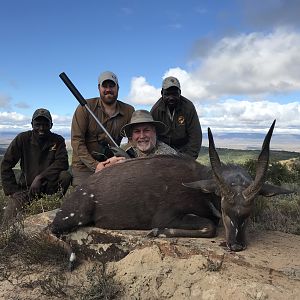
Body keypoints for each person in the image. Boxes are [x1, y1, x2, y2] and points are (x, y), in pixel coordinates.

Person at [1, 108, 72, 224]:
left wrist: (40, 177)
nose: (41, 128)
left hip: (49, 187)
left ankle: (52, 204)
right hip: (26, 189)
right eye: (38, 124)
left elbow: (62, 162)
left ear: (51, 125)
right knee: (8, 222)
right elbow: (6, 164)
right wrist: (12, 191)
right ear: (32, 124)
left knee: (65, 175)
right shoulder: (23, 138)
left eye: (45, 124)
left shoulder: (58, 140)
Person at [71, 71, 134, 186]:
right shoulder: (84, 108)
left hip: (112, 163)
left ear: (118, 88)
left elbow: (133, 139)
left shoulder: (129, 110)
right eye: (105, 86)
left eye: (112, 86)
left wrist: (121, 157)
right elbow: (77, 141)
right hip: (84, 166)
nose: (108, 89)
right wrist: (95, 166)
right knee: (84, 196)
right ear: (99, 88)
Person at [95, 110, 177, 172]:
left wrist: (128, 165)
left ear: (154, 132)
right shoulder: (127, 150)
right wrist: (105, 166)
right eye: (137, 131)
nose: (142, 136)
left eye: (146, 130)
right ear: (132, 136)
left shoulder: (170, 156)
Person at [150, 76, 202, 159]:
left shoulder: (188, 107)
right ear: (162, 93)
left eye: (174, 94)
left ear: (180, 92)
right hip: (162, 150)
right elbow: (151, 134)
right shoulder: (156, 110)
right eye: (167, 94)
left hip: (184, 149)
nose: (171, 98)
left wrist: (189, 159)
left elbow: (195, 135)